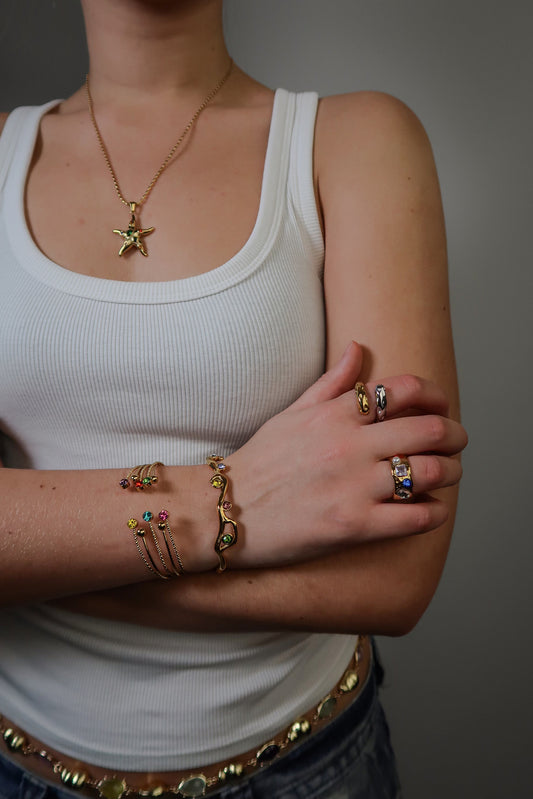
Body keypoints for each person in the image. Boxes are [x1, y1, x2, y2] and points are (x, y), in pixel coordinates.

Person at [0, 1, 467, 797]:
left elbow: (392, 578)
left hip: (306, 768)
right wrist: (235, 499)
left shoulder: (358, 141)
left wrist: (41, 552)